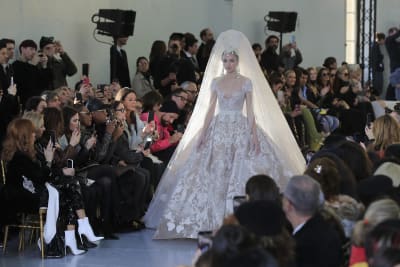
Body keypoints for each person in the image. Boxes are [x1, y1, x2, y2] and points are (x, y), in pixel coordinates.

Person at [144, 30, 305, 239]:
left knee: (238, 167)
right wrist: (202, 132)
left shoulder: (246, 81)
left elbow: (250, 111)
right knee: (213, 170)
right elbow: (211, 108)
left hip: (239, 126)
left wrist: (254, 135)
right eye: (226, 60)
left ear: (238, 61)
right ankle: (208, 218)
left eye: (231, 60)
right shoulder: (216, 81)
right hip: (218, 128)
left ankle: (236, 218)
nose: (228, 64)